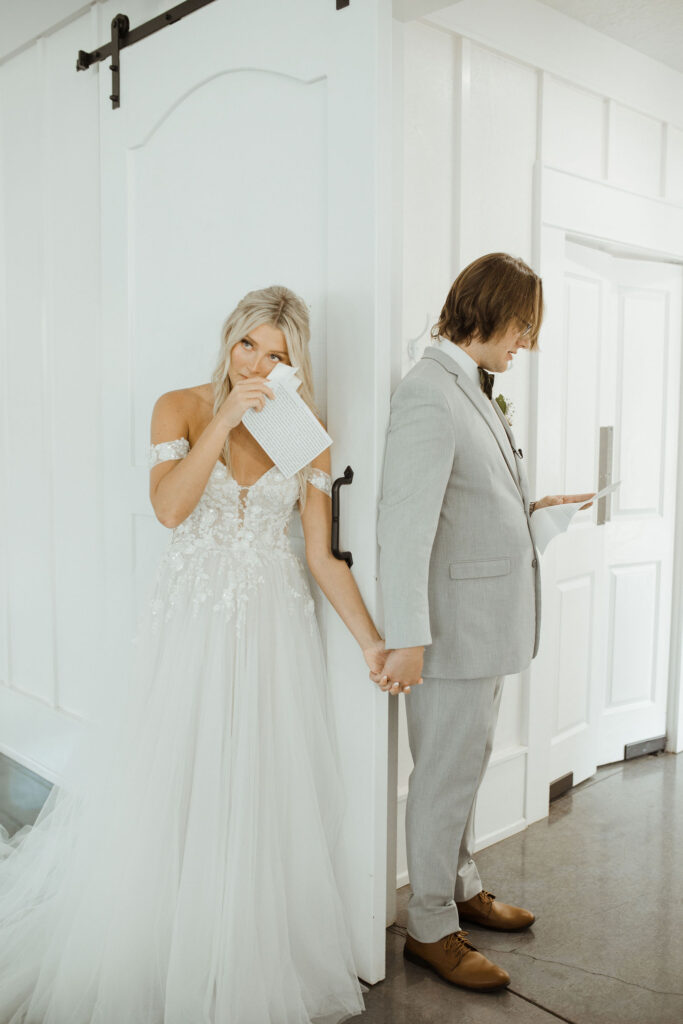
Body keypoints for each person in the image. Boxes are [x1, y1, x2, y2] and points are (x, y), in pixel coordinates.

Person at [0, 285, 391, 1024]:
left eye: (276, 355)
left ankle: (236, 945)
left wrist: (371, 642)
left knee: (254, 782)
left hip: (271, 632)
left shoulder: (309, 436)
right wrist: (228, 416)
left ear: (293, 365)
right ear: (228, 339)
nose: (257, 362)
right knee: (173, 777)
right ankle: (161, 938)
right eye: (248, 344)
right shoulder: (176, 406)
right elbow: (170, 508)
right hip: (189, 624)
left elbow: (321, 556)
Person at [374, 253, 593, 993]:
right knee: (442, 778)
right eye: (521, 328)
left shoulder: (470, 386)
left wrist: (533, 516)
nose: (523, 344)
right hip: (446, 634)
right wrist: (405, 637)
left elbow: (466, 506)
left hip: (483, 625)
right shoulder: (427, 395)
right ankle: (431, 926)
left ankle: (461, 885)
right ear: (485, 311)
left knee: (464, 769)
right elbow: (402, 529)